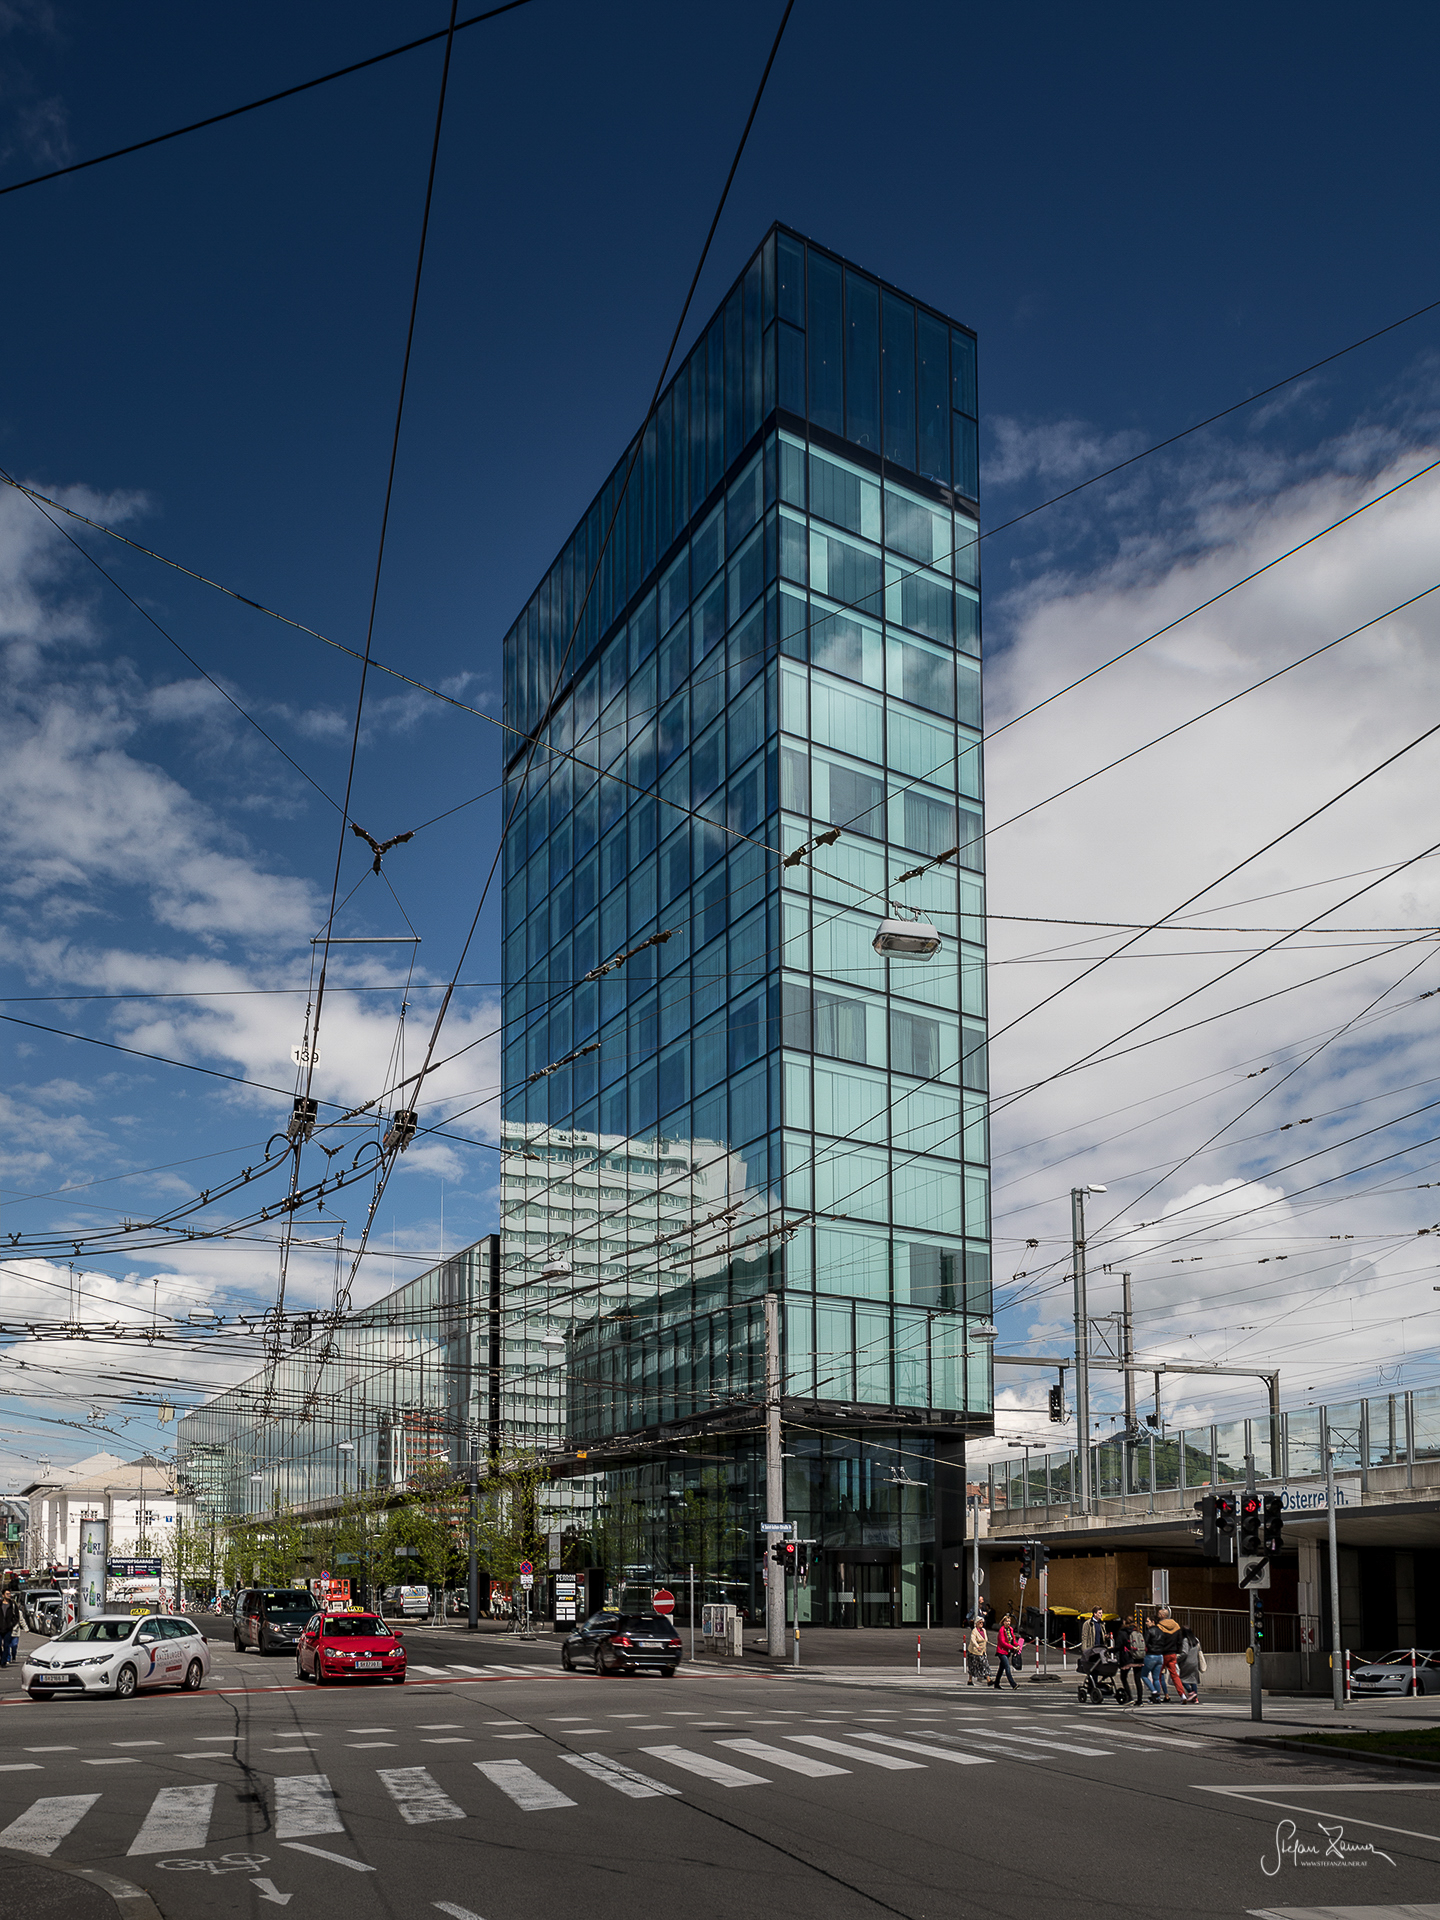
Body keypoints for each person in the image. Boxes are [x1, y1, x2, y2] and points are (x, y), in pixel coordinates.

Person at [1157, 1610, 1185, 1701]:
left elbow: (1159, 1640)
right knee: (1175, 1675)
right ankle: (1182, 1695)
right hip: (1173, 1653)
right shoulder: (1176, 1626)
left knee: (1157, 1674)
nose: (1157, 1615)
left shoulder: (1159, 1627)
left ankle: (1157, 1695)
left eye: (1159, 1614)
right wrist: (1178, 1651)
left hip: (1163, 1653)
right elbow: (1180, 1640)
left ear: (1162, 1615)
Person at [1142, 1610, 1168, 1701]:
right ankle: (1158, 1697)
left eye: (1147, 1621)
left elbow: (1145, 1643)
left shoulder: (1149, 1631)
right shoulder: (1161, 1631)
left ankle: (1153, 1691)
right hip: (1160, 1656)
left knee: (1144, 1675)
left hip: (1151, 1655)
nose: (1146, 1623)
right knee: (1156, 1678)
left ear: (1153, 1622)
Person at [993, 1613, 1022, 1690]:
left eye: (1009, 1621)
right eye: (1006, 1621)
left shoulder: (1010, 1629)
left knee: (1001, 1669)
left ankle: (996, 1683)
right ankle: (1013, 1684)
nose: (1008, 1623)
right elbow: (1003, 1642)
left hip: (1008, 1652)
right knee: (1007, 1668)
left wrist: (1017, 1645)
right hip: (1002, 1651)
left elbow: (1013, 1640)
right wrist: (1013, 1647)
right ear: (1003, 1622)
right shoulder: (1001, 1630)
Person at [1177, 1622, 1203, 1702]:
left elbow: (1185, 1653)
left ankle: (1190, 1692)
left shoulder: (1185, 1640)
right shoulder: (1196, 1640)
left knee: (1181, 1679)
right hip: (1195, 1662)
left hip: (1187, 1663)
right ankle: (1195, 1698)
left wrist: (1178, 1659)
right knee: (1193, 1680)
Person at [966, 1615, 989, 1685]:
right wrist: (977, 1646)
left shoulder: (984, 1630)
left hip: (982, 1652)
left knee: (985, 1665)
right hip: (974, 1651)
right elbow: (973, 1639)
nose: (981, 1624)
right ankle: (970, 1680)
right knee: (972, 1666)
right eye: (980, 1622)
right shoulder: (974, 1631)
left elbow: (985, 1640)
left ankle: (989, 1680)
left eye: (982, 1622)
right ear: (976, 1623)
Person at [0, 1590, 17, 1667]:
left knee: (6, 1645)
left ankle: (3, 1661)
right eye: (7, 1594)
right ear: (3, 1595)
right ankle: (1, 1658)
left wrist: (12, 1624)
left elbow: (16, 1616)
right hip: (0, 1628)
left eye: (9, 1594)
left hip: (8, 1629)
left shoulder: (12, 1605)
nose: (9, 1595)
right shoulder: (0, 1604)